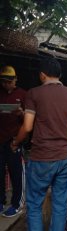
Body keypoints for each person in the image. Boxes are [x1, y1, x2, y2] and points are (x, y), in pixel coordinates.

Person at [11, 58, 67, 231]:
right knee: (60, 204)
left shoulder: (34, 93)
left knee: (34, 204)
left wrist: (15, 142)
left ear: (42, 75)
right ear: (60, 75)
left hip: (41, 158)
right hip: (65, 158)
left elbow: (28, 126)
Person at [0, 66, 26, 217]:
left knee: (16, 172)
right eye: (4, 82)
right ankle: (1, 200)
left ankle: (17, 203)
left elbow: (29, 121)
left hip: (15, 140)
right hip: (0, 139)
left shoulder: (23, 94)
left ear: (15, 79)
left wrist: (22, 113)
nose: (7, 84)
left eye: (10, 81)